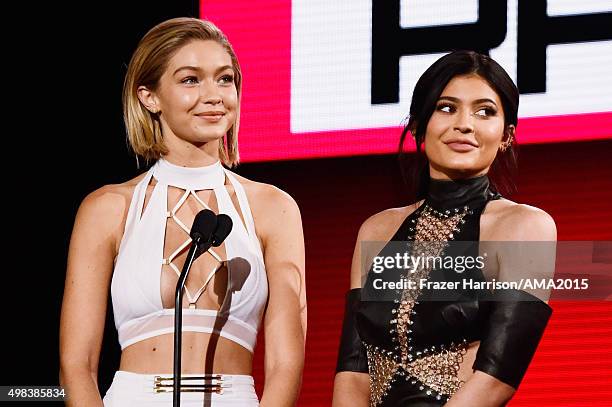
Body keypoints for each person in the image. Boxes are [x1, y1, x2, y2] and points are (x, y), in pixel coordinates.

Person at [59, 17, 306, 406]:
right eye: (191, 80)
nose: (214, 95)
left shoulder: (274, 208)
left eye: (225, 79)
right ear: (149, 97)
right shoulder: (107, 208)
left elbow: (285, 363)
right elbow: (76, 366)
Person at [333, 50, 556, 406]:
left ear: (506, 136)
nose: (465, 124)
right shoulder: (376, 229)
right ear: (419, 126)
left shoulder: (525, 226)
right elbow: (352, 370)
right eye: (447, 107)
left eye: (485, 111)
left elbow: (497, 377)